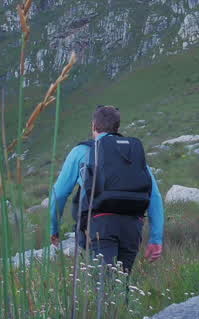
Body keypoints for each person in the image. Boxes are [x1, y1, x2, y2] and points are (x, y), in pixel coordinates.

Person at [48, 105, 164, 273]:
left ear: (93, 126)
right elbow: (154, 196)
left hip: (100, 224)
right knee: (121, 282)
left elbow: (59, 194)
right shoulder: (131, 151)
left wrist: (54, 228)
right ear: (117, 127)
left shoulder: (81, 151)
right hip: (132, 225)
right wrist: (156, 238)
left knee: (104, 285)